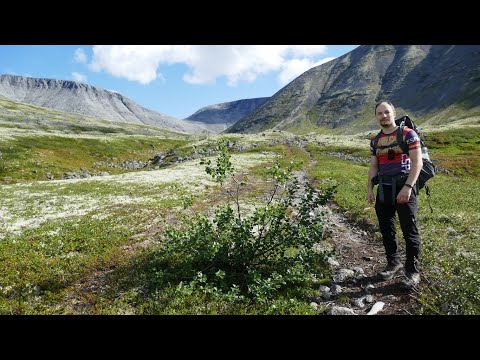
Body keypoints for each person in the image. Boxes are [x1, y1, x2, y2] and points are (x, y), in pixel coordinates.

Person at [367, 101, 423, 289]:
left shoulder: (408, 134)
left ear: (393, 113)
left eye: (386, 112)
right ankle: (394, 263)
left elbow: (417, 163)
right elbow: (374, 166)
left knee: (410, 231)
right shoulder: (375, 141)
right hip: (384, 188)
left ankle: (412, 270)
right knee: (386, 229)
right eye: (380, 113)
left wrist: (408, 187)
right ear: (376, 117)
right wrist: (369, 189)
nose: (383, 115)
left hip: (405, 187)